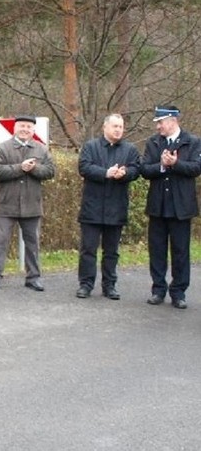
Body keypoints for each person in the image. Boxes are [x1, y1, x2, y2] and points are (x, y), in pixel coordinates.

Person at [139, 105, 201, 309]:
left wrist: (176, 164)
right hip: (158, 205)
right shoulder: (153, 143)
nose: (158, 127)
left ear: (173, 121)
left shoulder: (192, 142)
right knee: (157, 250)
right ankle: (158, 290)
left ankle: (179, 292)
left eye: (160, 122)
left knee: (181, 251)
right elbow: (145, 169)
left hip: (181, 206)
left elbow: (196, 168)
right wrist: (162, 166)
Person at [75, 114, 140, 300]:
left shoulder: (130, 149)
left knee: (111, 251)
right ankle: (86, 285)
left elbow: (137, 170)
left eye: (121, 126)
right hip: (92, 208)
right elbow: (84, 167)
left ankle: (109, 285)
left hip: (116, 208)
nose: (118, 130)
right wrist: (106, 173)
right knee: (88, 250)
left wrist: (125, 173)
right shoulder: (91, 146)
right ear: (105, 127)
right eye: (114, 126)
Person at [0, 115, 56, 291]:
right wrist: (20, 168)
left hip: (32, 204)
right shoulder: (2, 148)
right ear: (14, 128)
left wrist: (34, 169)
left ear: (34, 130)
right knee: (0, 242)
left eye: (29, 127)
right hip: (6, 204)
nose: (25, 129)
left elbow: (50, 171)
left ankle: (33, 277)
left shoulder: (41, 149)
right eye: (22, 126)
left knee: (33, 243)